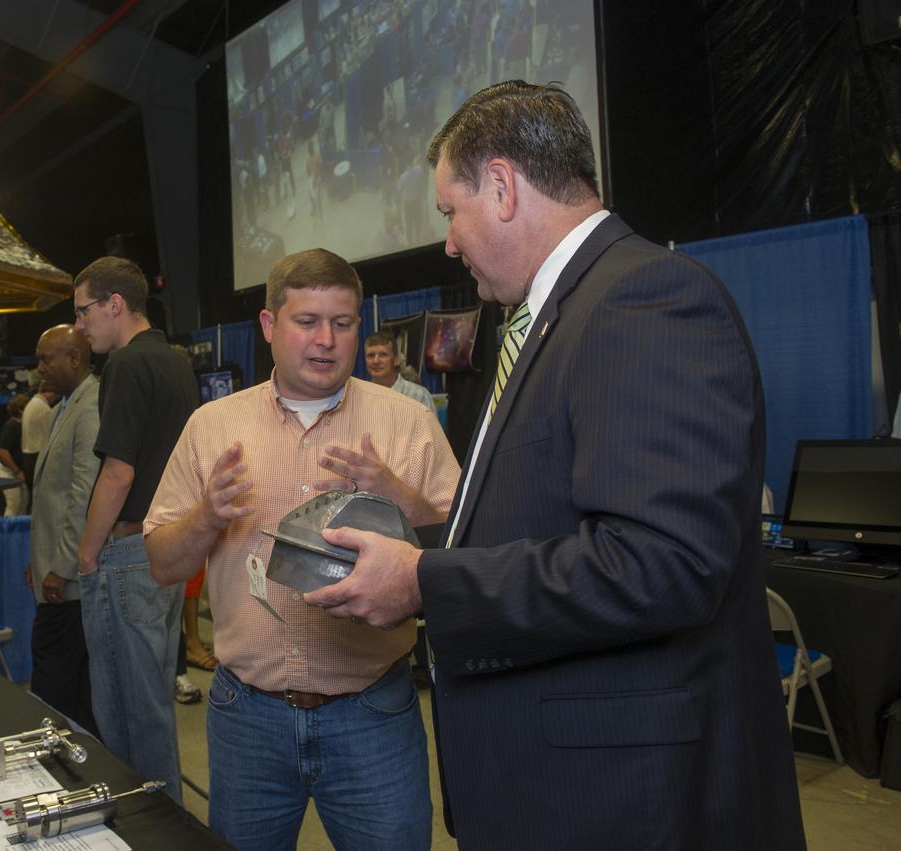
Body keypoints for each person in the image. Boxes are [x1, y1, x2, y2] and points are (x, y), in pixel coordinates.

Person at [301, 81, 805, 849]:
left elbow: (659, 563)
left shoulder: (642, 298)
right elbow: (542, 523)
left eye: (450, 211)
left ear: (503, 188)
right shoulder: (558, 316)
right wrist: (412, 552)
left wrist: (424, 580)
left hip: (621, 804)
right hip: (555, 788)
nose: (449, 242)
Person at [145, 247, 462, 850]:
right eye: (307, 321)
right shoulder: (212, 427)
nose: (326, 340)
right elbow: (163, 563)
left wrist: (396, 494)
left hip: (372, 713)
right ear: (269, 325)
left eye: (342, 323)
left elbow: (461, 552)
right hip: (247, 719)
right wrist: (207, 516)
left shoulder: (407, 424)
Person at [72, 256, 198, 805]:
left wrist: (86, 553)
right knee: (152, 702)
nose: (80, 325)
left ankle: (151, 826)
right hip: (166, 547)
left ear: (115, 304)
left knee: (127, 710)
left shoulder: (124, 365)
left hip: (127, 550)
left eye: (84, 311)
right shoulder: (175, 361)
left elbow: (118, 471)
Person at [26, 325, 100, 735]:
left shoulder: (91, 406)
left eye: (45, 359)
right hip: (54, 574)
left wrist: (63, 566)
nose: (39, 369)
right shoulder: (61, 409)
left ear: (74, 358)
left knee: (59, 688)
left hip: (70, 587)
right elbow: (50, 497)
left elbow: (83, 495)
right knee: (61, 686)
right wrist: (39, 561)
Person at [363, 331, 437, 415]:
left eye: (383, 355)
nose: (376, 361)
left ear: (396, 360)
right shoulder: (360, 397)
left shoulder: (418, 396)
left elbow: (431, 424)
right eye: (371, 355)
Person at [0, 395, 29, 516]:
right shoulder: (11, 426)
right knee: (14, 505)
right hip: (8, 470)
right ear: (20, 410)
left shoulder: (23, 425)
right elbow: (2, 451)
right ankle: (8, 527)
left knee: (23, 504)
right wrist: (17, 471)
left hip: (18, 470)